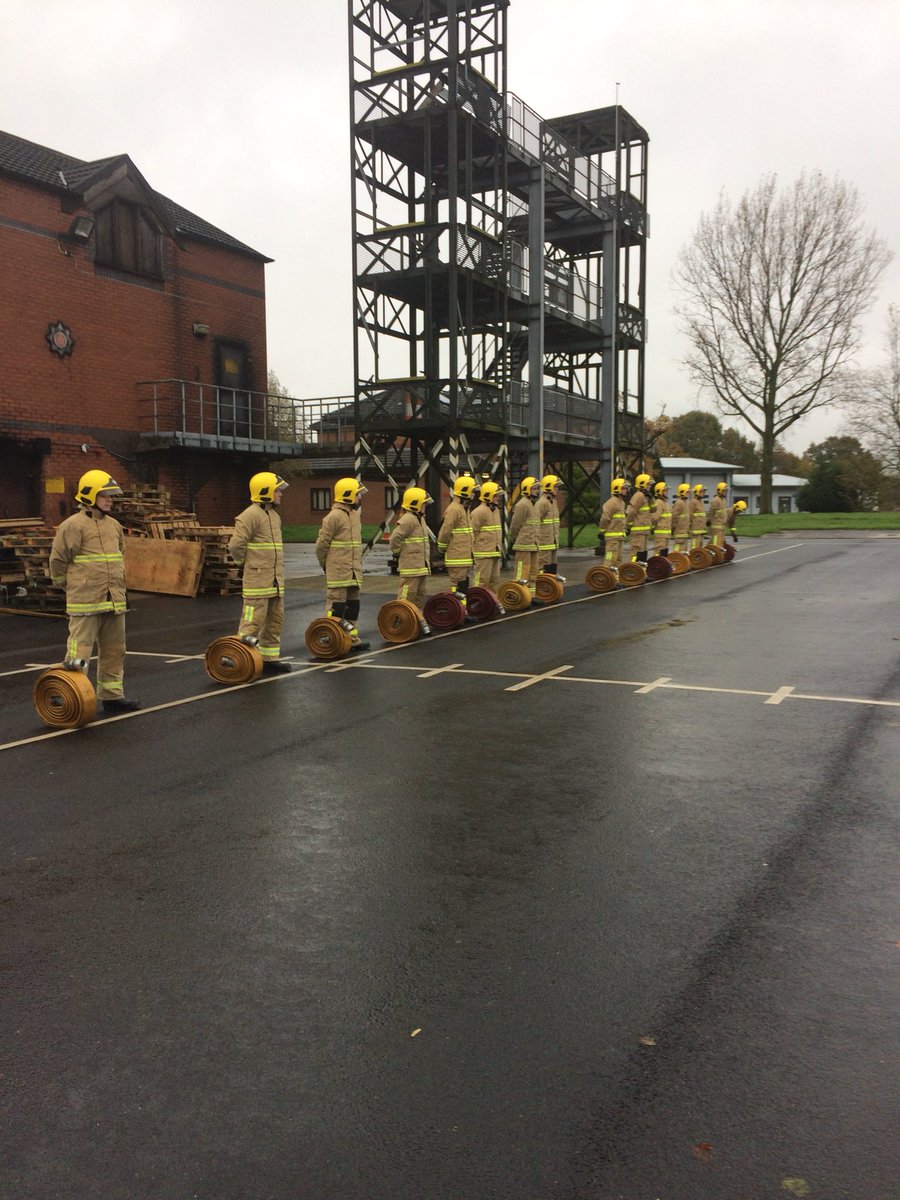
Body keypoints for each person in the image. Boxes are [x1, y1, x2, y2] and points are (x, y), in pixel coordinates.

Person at [48, 469, 141, 713]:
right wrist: (69, 586)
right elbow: (58, 561)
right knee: (79, 652)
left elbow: (119, 555)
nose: (110, 500)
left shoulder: (114, 526)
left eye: (111, 496)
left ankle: (112, 696)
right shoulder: (73, 526)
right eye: (105, 495)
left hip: (113, 600)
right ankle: (69, 696)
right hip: (86, 601)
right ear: (89, 496)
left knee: (115, 650)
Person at [228, 471, 292, 673]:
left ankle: (269, 658)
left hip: (274, 582)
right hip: (257, 581)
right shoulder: (249, 516)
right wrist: (242, 563)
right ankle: (237, 659)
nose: (281, 494)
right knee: (251, 622)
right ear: (265, 492)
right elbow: (235, 546)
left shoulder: (273, 516)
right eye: (277, 490)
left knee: (274, 621)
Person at [315, 476, 369, 653]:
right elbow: (322, 545)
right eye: (357, 495)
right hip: (338, 571)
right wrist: (326, 565)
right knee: (336, 609)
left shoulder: (354, 516)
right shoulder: (333, 517)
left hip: (353, 572)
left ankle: (351, 639)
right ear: (347, 495)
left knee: (353, 607)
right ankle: (333, 640)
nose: (359, 498)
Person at [390, 485, 433, 637]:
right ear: (414, 504)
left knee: (419, 596)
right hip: (411, 567)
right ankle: (399, 623)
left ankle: (414, 623)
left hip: (420, 566)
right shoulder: (408, 519)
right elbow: (395, 538)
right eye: (423, 504)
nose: (425, 507)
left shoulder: (419, 519)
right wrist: (398, 553)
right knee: (406, 596)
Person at [437, 473, 476, 611]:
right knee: (457, 586)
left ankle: (462, 611)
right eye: (472, 491)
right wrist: (441, 548)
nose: (474, 495)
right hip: (456, 557)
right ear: (464, 491)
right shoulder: (454, 509)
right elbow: (445, 531)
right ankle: (456, 611)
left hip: (464, 556)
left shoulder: (464, 509)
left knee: (463, 584)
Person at [470, 480, 505, 606]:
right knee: (481, 581)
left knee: (494, 581)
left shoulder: (495, 511)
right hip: (483, 553)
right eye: (496, 495)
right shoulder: (478, 512)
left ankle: (491, 604)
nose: (498, 498)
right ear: (488, 495)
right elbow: (472, 533)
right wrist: (472, 553)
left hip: (495, 551)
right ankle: (476, 604)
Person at [508, 475, 542, 596]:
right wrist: (512, 539)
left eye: (537, 489)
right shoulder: (522, 505)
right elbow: (515, 525)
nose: (537, 491)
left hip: (534, 544)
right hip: (523, 544)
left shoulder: (535, 504)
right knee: (522, 572)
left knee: (533, 573)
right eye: (534, 489)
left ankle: (530, 596)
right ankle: (518, 595)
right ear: (527, 489)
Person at [597, 477, 629, 575]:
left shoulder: (622, 503)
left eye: (626, 488)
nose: (626, 490)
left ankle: (616, 578)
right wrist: (602, 531)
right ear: (617, 488)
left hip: (619, 537)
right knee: (610, 558)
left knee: (618, 559)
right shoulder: (611, 503)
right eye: (624, 488)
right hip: (612, 538)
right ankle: (606, 577)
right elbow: (605, 518)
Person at [537, 473, 565, 580]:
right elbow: (537, 522)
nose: (557, 489)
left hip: (552, 542)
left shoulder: (553, 502)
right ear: (548, 487)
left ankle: (551, 587)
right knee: (543, 567)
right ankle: (541, 586)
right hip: (544, 543)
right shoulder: (542, 503)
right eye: (555, 486)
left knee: (552, 567)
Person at [627, 472, 654, 563]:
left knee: (643, 553)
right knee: (636, 553)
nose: (650, 486)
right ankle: (633, 569)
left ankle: (641, 572)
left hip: (644, 530)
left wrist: (651, 498)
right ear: (642, 484)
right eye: (648, 484)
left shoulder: (646, 496)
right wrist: (628, 526)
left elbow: (654, 509)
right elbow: (631, 512)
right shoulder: (638, 496)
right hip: (638, 530)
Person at [650, 480, 672, 556]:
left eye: (667, 490)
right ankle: (655, 567)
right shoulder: (659, 503)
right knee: (658, 554)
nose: (667, 492)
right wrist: (653, 527)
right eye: (665, 490)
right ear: (659, 491)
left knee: (663, 555)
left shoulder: (665, 503)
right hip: (660, 535)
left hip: (666, 535)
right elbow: (654, 518)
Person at [707, 482, 729, 548]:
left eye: (726, 491)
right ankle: (711, 554)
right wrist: (709, 520)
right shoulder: (715, 500)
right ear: (719, 490)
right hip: (716, 527)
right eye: (724, 490)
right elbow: (711, 512)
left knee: (719, 543)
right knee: (715, 544)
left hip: (722, 526)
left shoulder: (724, 500)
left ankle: (710, 553)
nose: (725, 492)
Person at [671, 483, 691, 552]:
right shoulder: (679, 503)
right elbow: (674, 516)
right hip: (679, 531)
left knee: (684, 550)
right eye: (687, 492)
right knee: (678, 548)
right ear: (682, 492)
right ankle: (675, 558)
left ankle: (681, 560)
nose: (688, 494)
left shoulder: (685, 503)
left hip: (684, 531)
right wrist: (673, 528)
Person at [688, 483, 708, 550]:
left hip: (701, 529)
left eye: (704, 491)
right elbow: (689, 515)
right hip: (695, 530)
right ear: (696, 492)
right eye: (701, 491)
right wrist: (689, 527)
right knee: (694, 547)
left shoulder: (701, 501)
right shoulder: (693, 502)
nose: (703, 493)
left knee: (700, 547)